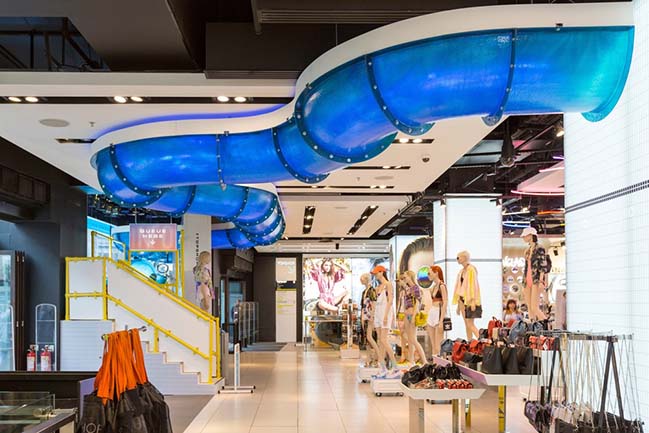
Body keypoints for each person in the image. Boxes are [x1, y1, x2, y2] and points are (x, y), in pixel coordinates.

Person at [371, 265, 397, 371]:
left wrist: (386, 315)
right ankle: (381, 364)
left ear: (382, 272)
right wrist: (373, 315)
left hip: (385, 312)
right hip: (378, 313)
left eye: (376, 273)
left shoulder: (388, 285)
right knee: (380, 340)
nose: (375, 275)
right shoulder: (378, 287)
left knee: (384, 339)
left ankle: (394, 364)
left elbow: (390, 301)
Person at [521, 227, 550, 321]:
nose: (523, 238)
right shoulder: (528, 250)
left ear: (530, 235)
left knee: (534, 307)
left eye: (525, 236)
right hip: (527, 279)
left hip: (536, 279)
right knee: (529, 308)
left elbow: (543, 266)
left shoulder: (539, 248)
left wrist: (541, 281)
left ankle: (546, 324)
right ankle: (532, 326)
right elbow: (527, 267)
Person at [453, 251, 482, 340]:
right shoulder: (461, 271)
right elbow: (460, 288)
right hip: (462, 300)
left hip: (469, 300)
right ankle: (470, 341)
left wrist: (473, 301)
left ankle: (481, 340)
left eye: (458, 257)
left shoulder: (471, 269)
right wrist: (458, 305)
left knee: (470, 324)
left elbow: (473, 286)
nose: (457, 259)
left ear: (464, 257)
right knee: (466, 324)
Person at [400, 271, 428, 365]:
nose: (404, 279)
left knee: (413, 339)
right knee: (409, 338)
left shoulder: (415, 288)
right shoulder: (407, 289)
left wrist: (414, 316)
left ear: (410, 277)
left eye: (405, 277)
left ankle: (424, 360)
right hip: (407, 314)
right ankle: (411, 360)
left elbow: (417, 303)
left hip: (412, 314)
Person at [426, 265, 448, 357]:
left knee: (438, 345)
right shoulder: (434, 287)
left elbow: (445, 302)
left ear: (436, 273)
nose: (428, 275)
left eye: (429, 273)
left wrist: (441, 320)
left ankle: (439, 363)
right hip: (432, 312)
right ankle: (434, 363)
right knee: (433, 345)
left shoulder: (442, 286)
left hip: (439, 313)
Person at [360, 273, 380, 366]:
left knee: (369, 337)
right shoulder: (364, 292)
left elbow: (374, 303)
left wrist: (372, 315)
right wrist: (362, 317)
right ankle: (369, 358)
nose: (361, 281)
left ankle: (378, 356)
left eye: (362, 279)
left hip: (369, 315)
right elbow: (363, 305)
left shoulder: (372, 290)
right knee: (366, 338)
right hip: (365, 315)